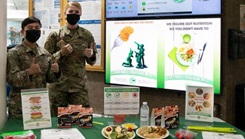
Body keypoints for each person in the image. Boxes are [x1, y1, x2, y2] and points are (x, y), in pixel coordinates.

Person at [44, 1, 97, 116]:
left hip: (79, 87)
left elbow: (92, 61)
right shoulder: (55, 35)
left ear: (81, 14)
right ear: (64, 14)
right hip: (58, 87)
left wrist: (91, 55)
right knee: (57, 123)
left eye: (76, 12)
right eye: (70, 12)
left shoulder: (87, 35)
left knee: (82, 121)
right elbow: (45, 60)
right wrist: (60, 53)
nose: (73, 14)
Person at [6, 16, 60, 118]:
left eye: (37, 28)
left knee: (41, 133)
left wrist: (56, 72)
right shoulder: (14, 53)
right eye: (30, 28)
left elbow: (50, 79)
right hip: (20, 107)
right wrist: (28, 73)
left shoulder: (45, 54)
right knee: (19, 134)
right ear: (22, 32)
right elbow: (11, 79)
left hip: (40, 104)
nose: (34, 30)